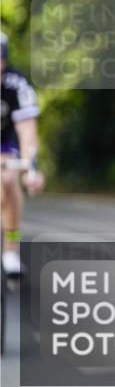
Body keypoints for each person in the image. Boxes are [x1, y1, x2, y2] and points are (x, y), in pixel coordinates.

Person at [0, 31, 45, 276]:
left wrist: (31, 167)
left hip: (4, 142)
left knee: (7, 179)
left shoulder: (17, 84)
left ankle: (11, 246)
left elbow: (27, 129)